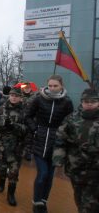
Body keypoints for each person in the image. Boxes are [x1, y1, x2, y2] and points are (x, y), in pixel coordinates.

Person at [25, 74, 73, 213]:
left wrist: (62, 133)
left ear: (61, 86)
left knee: (50, 176)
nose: (52, 88)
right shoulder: (39, 99)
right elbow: (28, 116)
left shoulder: (67, 102)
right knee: (42, 174)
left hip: (56, 144)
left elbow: (69, 121)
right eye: (50, 85)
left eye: (55, 86)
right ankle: (36, 202)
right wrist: (35, 129)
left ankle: (43, 202)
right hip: (40, 141)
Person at [53, 88, 99, 213]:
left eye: (93, 101)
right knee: (79, 199)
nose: (89, 103)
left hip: (96, 169)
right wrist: (58, 159)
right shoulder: (72, 118)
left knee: (92, 204)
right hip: (76, 167)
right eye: (86, 101)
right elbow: (60, 138)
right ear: (81, 102)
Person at [0, 88, 26, 206]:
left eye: (16, 96)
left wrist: (14, 126)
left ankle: (11, 194)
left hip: (16, 147)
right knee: (1, 169)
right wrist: (2, 124)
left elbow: (27, 129)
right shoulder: (1, 109)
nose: (14, 97)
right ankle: (1, 180)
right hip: (1, 145)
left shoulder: (25, 112)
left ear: (21, 97)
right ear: (9, 96)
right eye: (12, 95)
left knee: (14, 173)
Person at [21, 82, 37, 162]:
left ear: (30, 88)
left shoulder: (35, 97)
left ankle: (28, 153)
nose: (27, 89)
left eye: (28, 88)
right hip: (21, 120)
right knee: (21, 137)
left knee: (30, 138)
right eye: (25, 88)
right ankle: (20, 152)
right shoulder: (20, 96)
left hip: (31, 120)